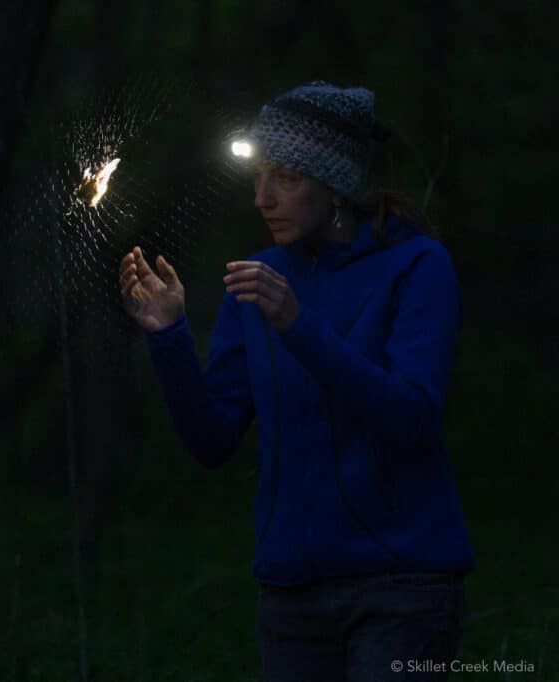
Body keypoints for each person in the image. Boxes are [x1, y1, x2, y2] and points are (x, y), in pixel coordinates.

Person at [118, 81, 473, 681]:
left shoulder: (417, 267)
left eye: (284, 176)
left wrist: (297, 325)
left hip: (401, 586)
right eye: (257, 176)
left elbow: (412, 418)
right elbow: (213, 441)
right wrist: (168, 336)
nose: (262, 197)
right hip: (291, 594)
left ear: (333, 184)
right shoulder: (260, 281)